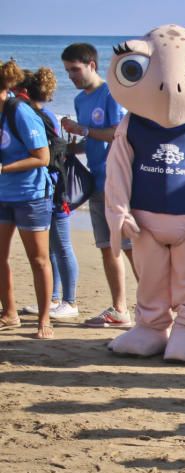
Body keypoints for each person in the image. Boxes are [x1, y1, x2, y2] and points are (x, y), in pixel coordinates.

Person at [60, 43, 133, 329]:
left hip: (119, 181)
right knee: (107, 247)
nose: (71, 76)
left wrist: (84, 130)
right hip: (96, 181)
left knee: (130, 248)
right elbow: (92, 141)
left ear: (91, 65)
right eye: (67, 71)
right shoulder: (81, 100)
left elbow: (119, 134)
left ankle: (154, 308)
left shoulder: (111, 94)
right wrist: (70, 148)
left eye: (75, 70)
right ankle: (119, 309)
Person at [18, 67, 80, 321]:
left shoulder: (39, 116)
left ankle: (70, 300)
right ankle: (54, 297)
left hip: (54, 189)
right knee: (51, 247)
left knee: (62, 245)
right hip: (50, 186)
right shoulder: (42, 115)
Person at [0, 59, 54, 339]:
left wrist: (3, 168)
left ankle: (44, 319)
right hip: (2, 195)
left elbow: (42, 157)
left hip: (31, 195)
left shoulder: (20, 112)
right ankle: (9, 313)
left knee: (38, 259)